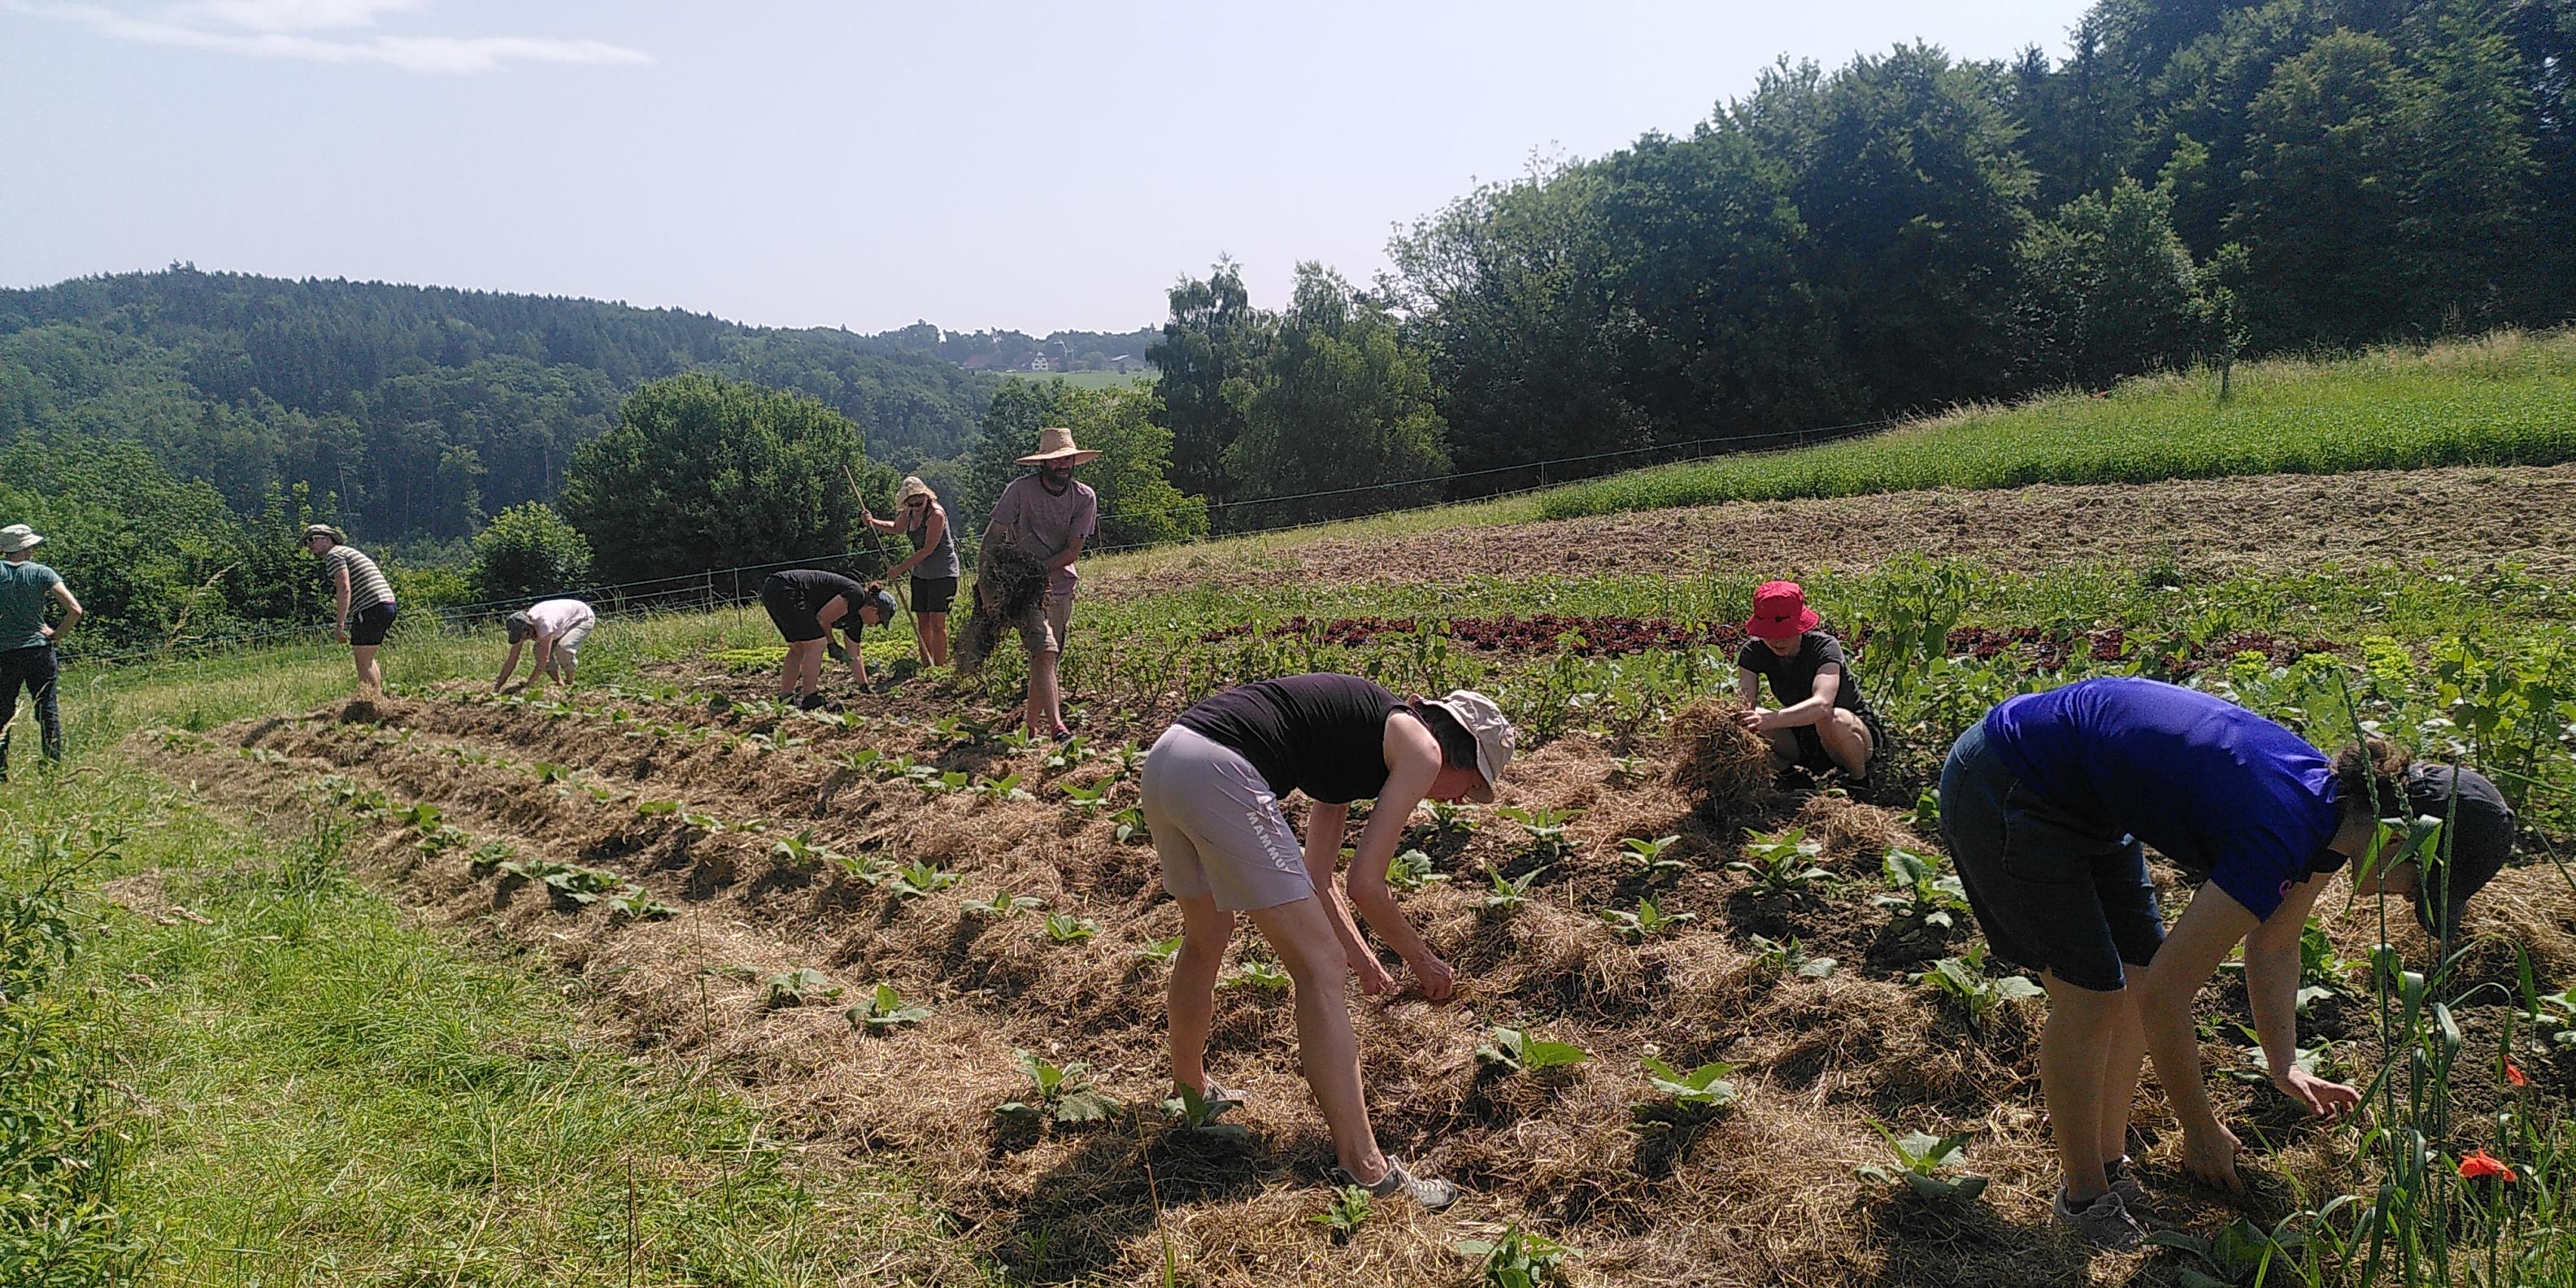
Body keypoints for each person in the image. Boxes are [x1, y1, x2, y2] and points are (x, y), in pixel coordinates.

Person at [1937, 677, 2499, 1249]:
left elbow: (2274, 945)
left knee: (2133, 976)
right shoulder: (2282, 828)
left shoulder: (2335, 820)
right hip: (2009, 778)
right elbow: (2168, 995)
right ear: (2401, 836)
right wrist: (2199, 1127)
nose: (2405, 899)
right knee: (2093, 997)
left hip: (2085, 796)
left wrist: (2286, 1066)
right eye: (2418, 884)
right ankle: (2083, 1200)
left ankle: (2108, 1168)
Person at [1142, 674, 1516, 1211]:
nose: (1459, 799)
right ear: (1460, 757)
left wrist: (1365, 962)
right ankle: (1366, 1169)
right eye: (1472, 786)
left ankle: (1191, 1092)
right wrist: (1423, 961)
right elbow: (1368, 883)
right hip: (1220, 769)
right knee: (1317, 968)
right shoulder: (1422, 751)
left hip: (1169, 759)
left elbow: (1320, 877)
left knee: (1208, 936)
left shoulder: (1360, 739)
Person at [986, 427, 1098, 740]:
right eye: (1056, 460)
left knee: (1045, 657)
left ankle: (1029, 727)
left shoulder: (1084, 498)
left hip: (1060, 586)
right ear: (1043, 464)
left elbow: (1071, 552)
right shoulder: (1019, 492)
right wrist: (988, 587)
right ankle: (1058, 727)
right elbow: (992, 536)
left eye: (1068, 460)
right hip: (1021, 589)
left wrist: (1036, 570)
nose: (1063, 465)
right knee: (1046, 651)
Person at [1734, 580, 1882, 784]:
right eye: (1769, 634)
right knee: (1745, 719)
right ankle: (1790, 776)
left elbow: (1822, 705)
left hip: (1850, 736)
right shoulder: (1753, 652)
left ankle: (1860, 782)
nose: (1777, 641)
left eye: (1785, 633)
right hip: (1803, 738)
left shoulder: (1825, 647)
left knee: (1833, 719)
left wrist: (1769, 720)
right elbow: (1744, 703)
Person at [1, 524, 80, 780]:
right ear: (26, 548)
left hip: (5, 653)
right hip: (39, 651)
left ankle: (0, 773)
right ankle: (51, 769)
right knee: (47, 710)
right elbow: (75, 610)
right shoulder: (42, 573)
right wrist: (56, 634)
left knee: (2, 713)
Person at [859, 476, 959, 668]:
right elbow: (897, 528)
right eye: (911, 504)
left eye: (918, 502)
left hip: (943, 573)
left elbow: (928, 549)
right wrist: (873, 522)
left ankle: (940, 666)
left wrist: (899, 569)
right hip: (921, 574)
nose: (915, 506)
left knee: (938, 622)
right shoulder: (909, 512)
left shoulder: (936, 515)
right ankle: (926, 665)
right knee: (923, 622)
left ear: (926, 496)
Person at [759, 568, 896, 708]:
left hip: (774, 588)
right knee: (817, 643)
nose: (875, 626)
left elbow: (855, 655)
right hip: (785, 588)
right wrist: (831, 644)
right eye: (879, 621)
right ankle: (810, 698)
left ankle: (785, 698)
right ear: (874, 609)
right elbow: (822, 619)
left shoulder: (855, 621)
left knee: (798, 648)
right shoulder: (856, 595)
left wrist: (864, 687)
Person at [303, 524, 396, 697]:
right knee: (366, 658)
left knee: (362, 661)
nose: (309, 545)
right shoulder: (345, 552)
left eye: (312, 539)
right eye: (306, 542)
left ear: (327, 539)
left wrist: (340, 625)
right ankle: (376, 699)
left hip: (370, 607)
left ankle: (369, 705)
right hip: (386, 603)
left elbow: (344, 588)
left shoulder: (334, 555)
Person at [491, 598, 598, 692]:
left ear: (529, 626)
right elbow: (512, 660)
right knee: (538, 650)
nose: (527, 639)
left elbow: (543, 661)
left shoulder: (544, 624)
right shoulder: (521, 630)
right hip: (560, 623)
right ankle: (560, 684)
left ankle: (570, 683)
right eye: (522, 637)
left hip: (581, 618)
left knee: (563, 648)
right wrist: (498, 685)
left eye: (527, 635)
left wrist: (528, 686)